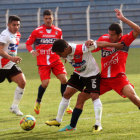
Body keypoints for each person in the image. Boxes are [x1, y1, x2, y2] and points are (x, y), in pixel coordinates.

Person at [59, 8, 140, 132]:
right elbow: (91, 47)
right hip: (103, 79)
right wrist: (89, 43)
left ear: (119, 35)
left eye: (113, 35)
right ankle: (72, 126)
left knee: (134, 98)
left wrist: (122, 18)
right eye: (109, 34)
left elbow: (137, 30)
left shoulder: (125, 40)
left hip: (119, 78)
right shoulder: (105, 39)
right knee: (81, 97)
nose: (110, 37)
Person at [45, 39, 124, 132]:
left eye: (59, 54)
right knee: (66, 94)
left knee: (95, 96)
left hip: (92, 75)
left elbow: (99, 44)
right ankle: (58, 120)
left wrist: (115, 45)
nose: (59, 56)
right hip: (79, 74)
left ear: (66, 49)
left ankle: (98, 125)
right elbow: (67, 56)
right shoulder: (65, 50)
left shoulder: (82, 48)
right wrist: (66, 58)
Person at [25, 9, 72, 115]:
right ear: (43, 19)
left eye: (50, 18)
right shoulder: (37, 31)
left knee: (64, 80)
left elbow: (62, 44)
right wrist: (32, 50)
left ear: (53, 18)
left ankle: (66, 105)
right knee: (45, 84)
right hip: (42, 62)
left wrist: (65, 55)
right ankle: (38, 101)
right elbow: (28, 43)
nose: (48, 20)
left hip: (55, 60)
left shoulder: (58, 31)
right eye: (46, 18)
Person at [0, 15, 26, 116]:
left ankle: (14, 107)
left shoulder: (17, 34)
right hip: (1, 66)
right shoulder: (4, 35)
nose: (16, 27)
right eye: (13, 25)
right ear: (8, 25)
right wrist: (11, 58)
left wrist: (13, 58)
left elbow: (12, 49)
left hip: (10, 65)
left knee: (22, 82)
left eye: (18, 25)